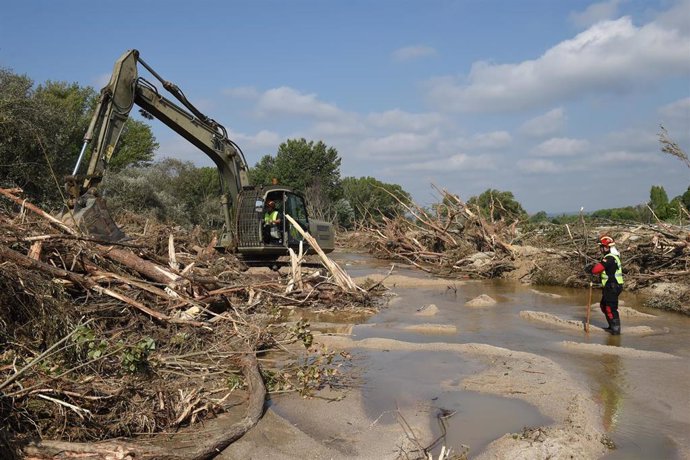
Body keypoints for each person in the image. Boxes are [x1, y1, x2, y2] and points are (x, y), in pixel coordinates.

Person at [587, 235, 624, 335]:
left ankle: (615, 331)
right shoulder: (613, 256)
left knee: (610, 308)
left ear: (606, 247)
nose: (600, 249)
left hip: (612, 286)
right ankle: (611, 326)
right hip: (611, 286)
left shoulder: (610, 258)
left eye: (601, 247)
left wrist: (590, 269)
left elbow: (596, 270)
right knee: (604, 306)